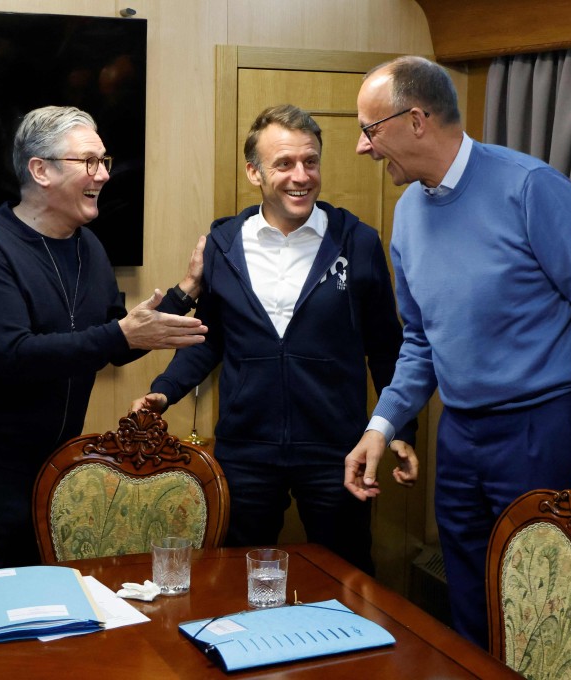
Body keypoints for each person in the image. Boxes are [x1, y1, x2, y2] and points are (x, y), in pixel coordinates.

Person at [343, 56, 571, 648]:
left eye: (370, 129)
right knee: (471, 604)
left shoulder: (531, 189)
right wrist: (382, 426)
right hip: (459, 436)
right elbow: (421, 342)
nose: (363, 148)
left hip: (543, 429)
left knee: (543, 607)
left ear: (417, 120)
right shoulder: (406, 215)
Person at [0, 105, 208, 576]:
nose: (102, 175)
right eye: (88, 162)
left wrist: (186, 292)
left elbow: (113, 341)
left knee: (49, 624)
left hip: (53, 472)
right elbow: (14, 357)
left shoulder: (88, 246)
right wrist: (119, 332)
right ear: (40, 170)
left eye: (104, 162)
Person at [130, 104, 415, 575]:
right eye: (284, 164)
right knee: (234, 577)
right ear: (254, 172)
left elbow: (386, 345)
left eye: (311, 161)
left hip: (337, 451)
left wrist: (401, 428)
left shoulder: (357, 242)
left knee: (347, 576)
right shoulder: (224, 244)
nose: (301, 176)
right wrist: (165, 391)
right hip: (246, 452)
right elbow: (212, 337)